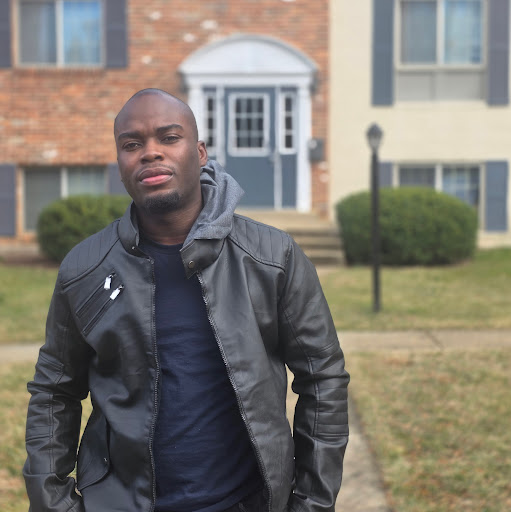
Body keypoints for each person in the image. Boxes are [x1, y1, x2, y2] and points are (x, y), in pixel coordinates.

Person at [24, 88, 349, 512]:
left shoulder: (272, 257)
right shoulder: (84, 269)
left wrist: (312, 502)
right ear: (119, 164)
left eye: (169, 137)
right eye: (131, 144)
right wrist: (54, 502)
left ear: (199, 153)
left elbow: (322, 377)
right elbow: (54, 391)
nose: (150, 152)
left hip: (246, 501)